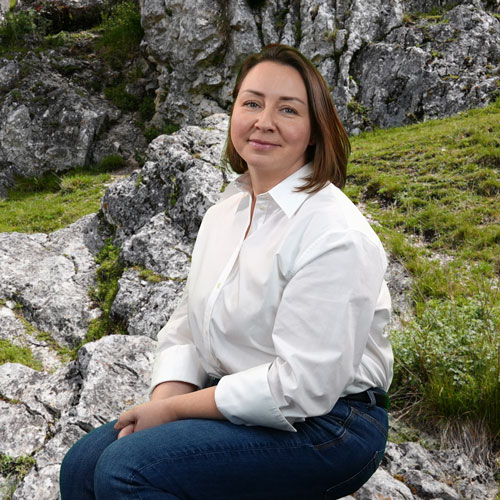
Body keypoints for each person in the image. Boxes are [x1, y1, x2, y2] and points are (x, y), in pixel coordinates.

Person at [59, 43, 393, 500]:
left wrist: (175, 414)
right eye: (251, 103)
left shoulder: (335, 232)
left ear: (316, 131)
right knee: (82, 465)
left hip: (332, 425)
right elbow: (188, 331)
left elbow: (301, 387)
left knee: (126, 470)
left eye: (288, 110)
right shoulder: (226, 212)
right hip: (238, 404)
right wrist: (160, 410)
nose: (264, 121)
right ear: (233, 110)